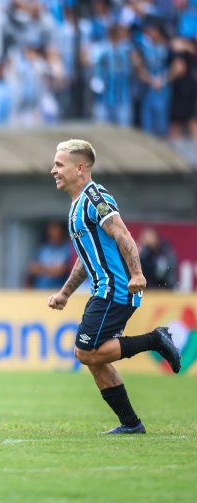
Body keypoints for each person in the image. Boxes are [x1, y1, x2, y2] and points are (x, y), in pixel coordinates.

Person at [47, 139, 181, 434]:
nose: (53, 170)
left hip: (115, 290)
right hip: (104, 290)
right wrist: (65, 293)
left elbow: (121, 233)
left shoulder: (95, 197)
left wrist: (137, 274)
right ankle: (131, 424)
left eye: (59, 164)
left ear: (80, 167)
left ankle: (155, 340)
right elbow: (86, 258)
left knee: (85, 352)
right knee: (96, 358)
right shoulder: (76, 205)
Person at [26, 220, 72, 289]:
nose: (54, 233)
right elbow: (32, 269)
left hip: (58, 290)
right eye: (51, 229)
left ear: (62, 231)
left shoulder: (67, 248)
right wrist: (51, 270)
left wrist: (41, 268)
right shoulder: (43, 248)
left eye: (56, 229)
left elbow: (60, 271)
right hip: (39, 289)